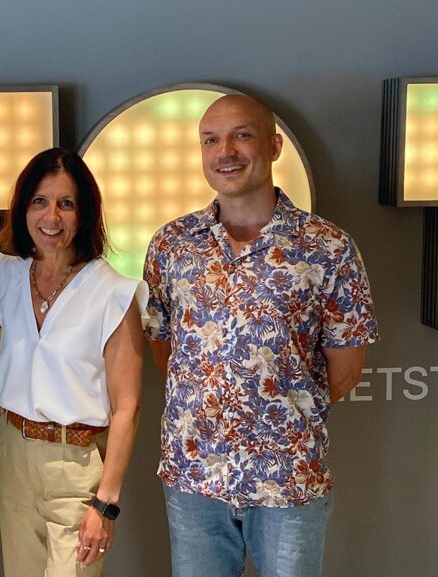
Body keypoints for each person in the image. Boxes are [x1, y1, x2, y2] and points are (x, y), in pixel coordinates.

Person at [142, 94, 379, 577]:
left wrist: (274, 413)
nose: (225, 151)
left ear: (273, 146)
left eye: (241, 135)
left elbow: (346, 370)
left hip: (287, 479)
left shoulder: (327, 247)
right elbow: (166, 351)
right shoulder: (172, 245)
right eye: (211, 140)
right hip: (194, 477)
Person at [0, 148, 145, 576]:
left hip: (77, 462)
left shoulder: (112, 293)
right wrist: (19, 369)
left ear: (84, 213)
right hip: (13, 450)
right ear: (23, 208)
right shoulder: (3, 272)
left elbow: (127, 408)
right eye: (39, 201)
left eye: (65, 203)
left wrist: (105, 504)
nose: (51, 216)